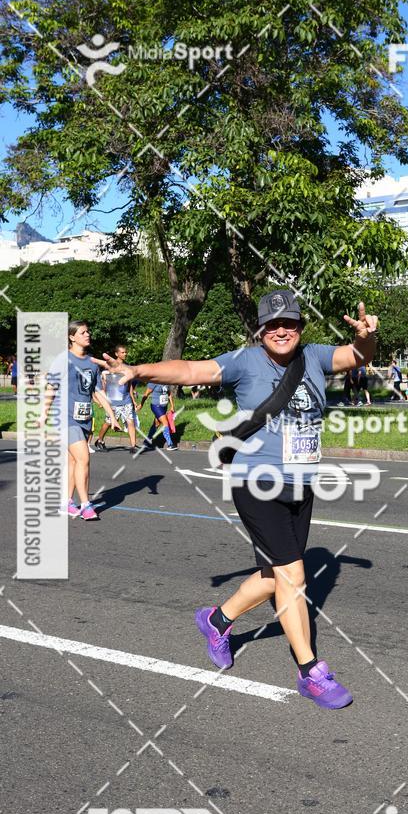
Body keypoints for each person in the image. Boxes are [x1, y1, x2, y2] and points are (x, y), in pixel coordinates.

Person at [96, 290, 379, 709]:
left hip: (301, 484)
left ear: (301, 328)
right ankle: (310, 673)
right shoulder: (245, 361)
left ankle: (217, 620)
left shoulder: (315, 356)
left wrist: (368, 336)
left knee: (274, 575)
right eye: (273, 324)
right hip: (255, 483)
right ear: (261, 330)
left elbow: (358, 355)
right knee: (293, 578)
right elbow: (190, 370)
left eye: (291, 323)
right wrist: (140, 370)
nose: (282, 330)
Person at [43, 320, 118, 520]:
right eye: (83, 332)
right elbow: (51, 388)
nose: (88, 335)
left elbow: (97, 391)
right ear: (72, 336)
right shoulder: (63, 359)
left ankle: (66, 503)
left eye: (88, 332)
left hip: (84, 418)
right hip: (65, 417)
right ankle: (85, 505)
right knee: (84, 458)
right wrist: (43, 415)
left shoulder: (92, 363)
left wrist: (111, 415)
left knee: (74, 461)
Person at [94, 343, 139, 453]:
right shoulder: (110, 367)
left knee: (130, 421)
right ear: (116, 354)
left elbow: (129, 387)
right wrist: (102, 400)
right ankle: (99, 440)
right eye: (122, 352)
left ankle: (133, 446)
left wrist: (133, 400)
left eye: (125, 352)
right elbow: (103, 386)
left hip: (126, 399)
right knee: (108, 423)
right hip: (112, 401)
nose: (125, 354)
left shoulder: (128, 367)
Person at [138, 381, 177, 451]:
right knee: (165, 423)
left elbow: (169, 394)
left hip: (164, 406)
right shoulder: (154, 382)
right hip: (156, 406)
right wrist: (141, 404)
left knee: (156, 424)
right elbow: (146, 394)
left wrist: (172, 406)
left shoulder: (166, 381)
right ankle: (170, 444)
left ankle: (146, 442)